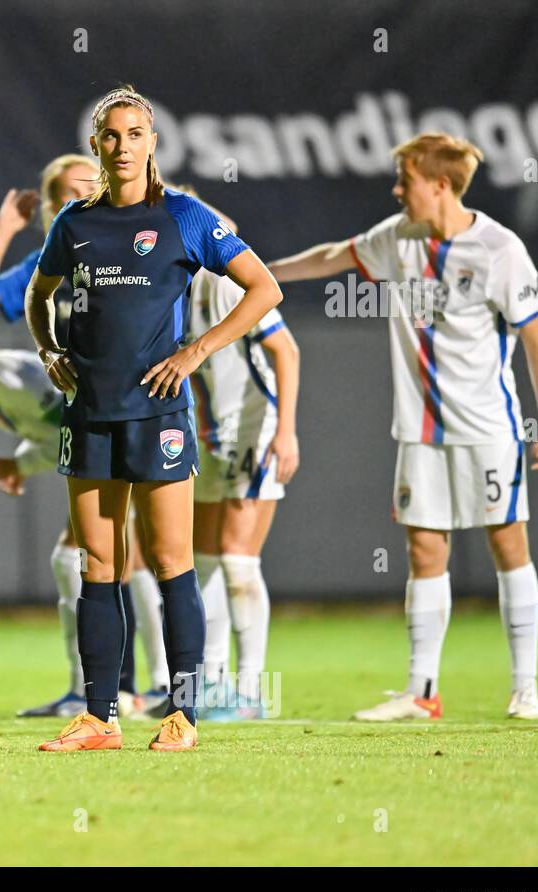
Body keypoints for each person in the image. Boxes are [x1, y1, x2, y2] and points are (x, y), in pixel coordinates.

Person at [268, 133, 538, 721]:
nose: (396, 189)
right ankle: (422, 691)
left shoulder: (499, 250)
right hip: (420, 433)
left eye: (405, 179)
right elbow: (333, 256)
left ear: (441, 185)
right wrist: (256, 274)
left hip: (487, 429)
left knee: (508, 545)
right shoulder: (396, 238)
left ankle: (525, 686)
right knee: (424, 550)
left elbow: (535, 339)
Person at [25, 85, 282, 752]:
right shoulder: (74, 224)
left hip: (160, 416)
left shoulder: (185, 216)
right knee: (97, 565)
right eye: (110, 135)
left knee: (172, 564)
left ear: (152, 143)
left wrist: (197, 350)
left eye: (134, 133)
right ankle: (100, 718)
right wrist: (50, 348)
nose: (122, 145)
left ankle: (183, 715)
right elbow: (37, 294)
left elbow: (265, 288)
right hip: (89, 415)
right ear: (96, 145)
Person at [0, 155, 170, 717]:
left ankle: (142, 687)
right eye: (68, 191)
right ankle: (129, 688)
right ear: (50, 206)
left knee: (133, 554)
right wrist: (6, 227)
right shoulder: (57, 250)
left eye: (90, 182)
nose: (85, 192)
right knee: (112, 554)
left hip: (146, 404)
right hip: (90, 411)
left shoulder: (138, 236)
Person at [184, 198, 301, 721]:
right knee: (202, 559)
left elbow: (286, 351)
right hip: (209, 437)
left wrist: (287, 434)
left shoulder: (225, 281)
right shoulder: (169, 291)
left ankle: (251, 689)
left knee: (236, 557)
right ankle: (210, 682)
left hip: (254, 428)